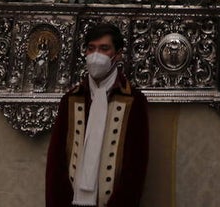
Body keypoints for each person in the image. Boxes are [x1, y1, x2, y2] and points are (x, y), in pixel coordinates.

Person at [46, 22, 148, 207]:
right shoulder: (71, 98)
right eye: (91, 49)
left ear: (118, 54)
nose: (96, 56)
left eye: (104, 48)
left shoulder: (134, 100)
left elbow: (135, 166)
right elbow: (56, 161)